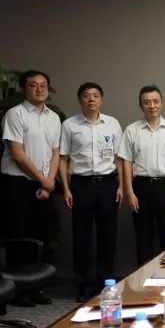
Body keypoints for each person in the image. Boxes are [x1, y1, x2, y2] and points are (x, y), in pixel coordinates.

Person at [0, 69, 60, 305]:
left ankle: (37, 289)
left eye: (43, 85)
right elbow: (18, 154)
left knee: (41, 236)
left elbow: (55, 154)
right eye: (33, 85)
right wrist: (43, 180)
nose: (39, 89)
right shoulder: (15, 114)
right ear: (24, 89)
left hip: (44, 185)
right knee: (20, 236)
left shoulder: (53, 117)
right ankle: (19, 292)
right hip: (18, 184)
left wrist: (48, 183)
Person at [59, 82, 123, 302]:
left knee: (108, 235)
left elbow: (119, 158)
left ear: (101, 99)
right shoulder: (69, 125)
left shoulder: (112, 124)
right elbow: (63, 159)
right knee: (82, 236)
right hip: (81, 185)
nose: (91, 99)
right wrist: (66, 188)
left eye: (96, 95)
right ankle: (83, 284)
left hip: (107, 184)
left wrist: (121, 186)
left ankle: (105, 282)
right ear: (80, 100)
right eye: (86, 96)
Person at [118, 85, 165, 266]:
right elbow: (126, 162)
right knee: (143, 237)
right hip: (141, 187)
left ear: (162, 103)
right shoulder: (132, 130)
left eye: (155, 101)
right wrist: (130, 192)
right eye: (147, 102)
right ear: (141, 106)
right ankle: (144, 279)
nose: (152, 106)